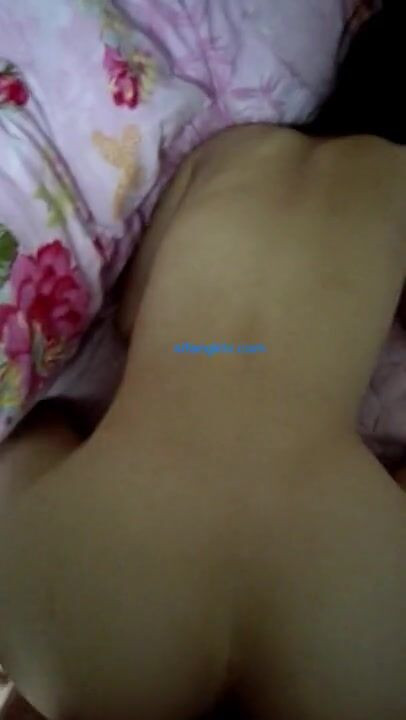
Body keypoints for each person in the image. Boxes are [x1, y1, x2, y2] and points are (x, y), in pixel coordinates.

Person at [0, 2, 405, 719]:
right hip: (341, 602)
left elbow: (132, 316)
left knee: (42, 431)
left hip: (99, 579)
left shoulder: (238, 148)